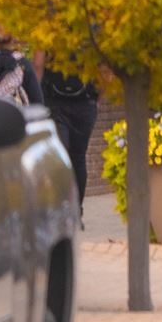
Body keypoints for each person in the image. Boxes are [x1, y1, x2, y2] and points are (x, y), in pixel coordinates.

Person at [39, 59, 96, 212]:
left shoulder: (47, 34)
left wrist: (37, 100)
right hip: (85, 101)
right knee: (78, 157)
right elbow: (104, 70)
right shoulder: (91, 34)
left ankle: (61, 208)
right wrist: (95, 98)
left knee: (59, 156)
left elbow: (38, 64)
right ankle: (76, 210)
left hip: (55, 102)